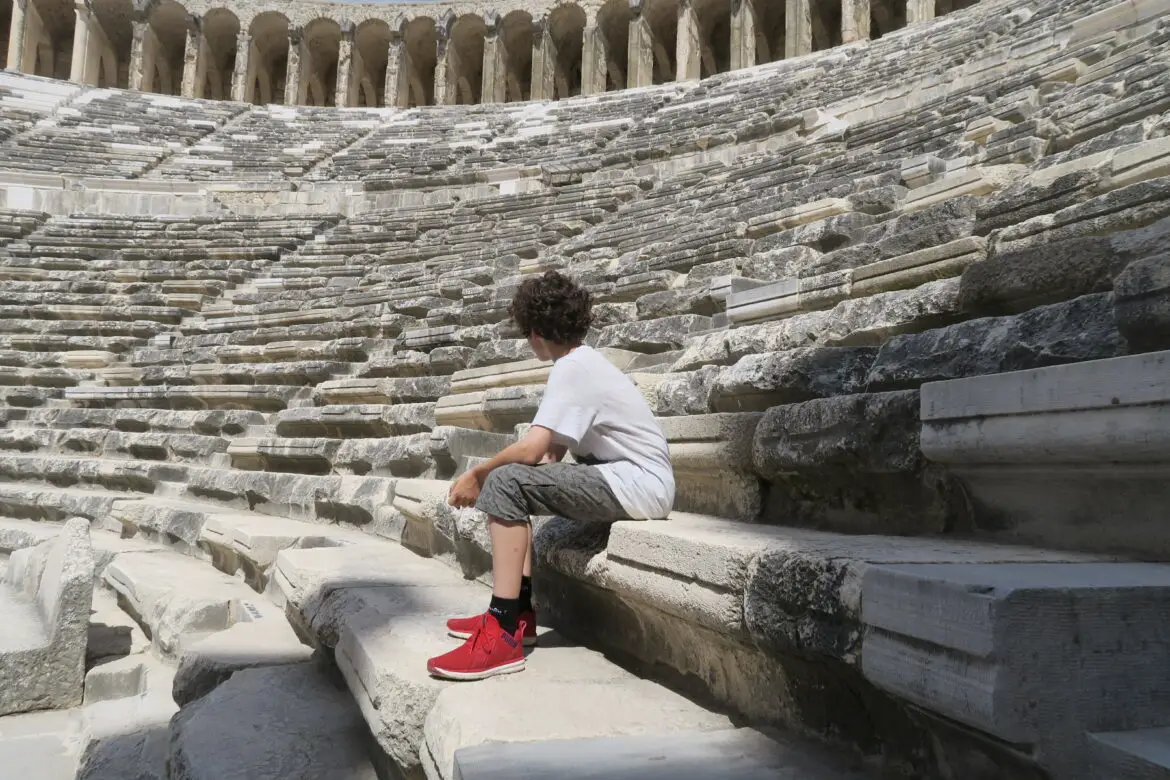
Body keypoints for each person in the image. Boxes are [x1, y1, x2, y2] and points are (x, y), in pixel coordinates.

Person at [426, 270, 675, 681]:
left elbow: (532, 449)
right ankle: (517, 616)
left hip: (638, 483)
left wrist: (479, 474)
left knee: (506, 480)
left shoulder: (572, 368)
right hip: (630, 480)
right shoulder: (582, 364)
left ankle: (501, 633)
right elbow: (550, 455)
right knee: (514, 482)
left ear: (537, 331)